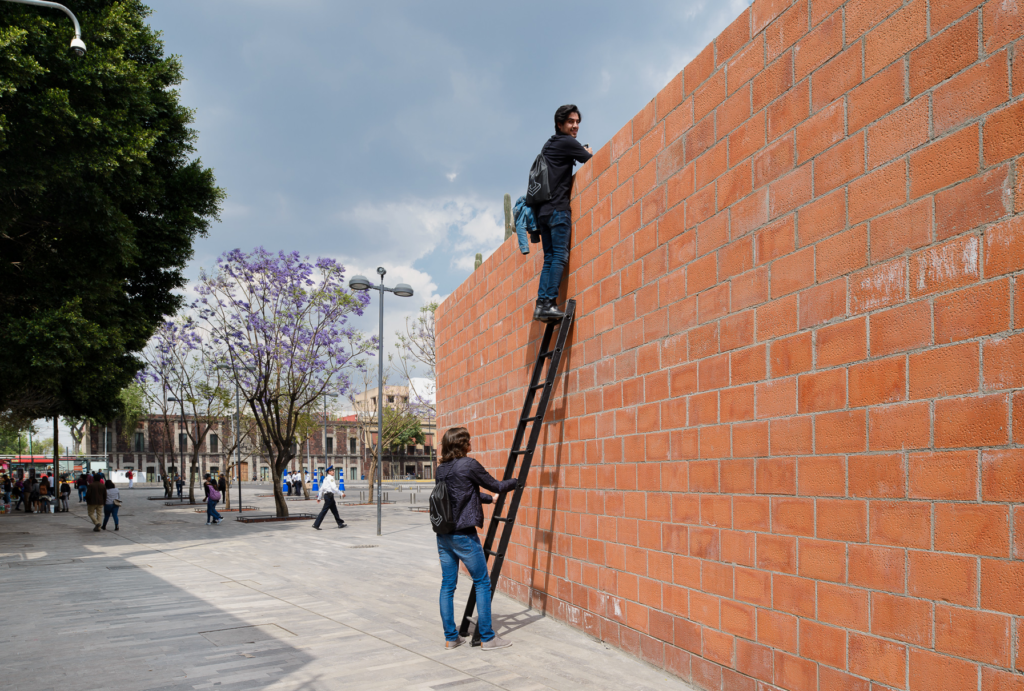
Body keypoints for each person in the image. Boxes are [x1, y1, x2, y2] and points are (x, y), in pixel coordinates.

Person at [434, 427, 516, 650]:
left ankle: (451, 638)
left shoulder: (441, 470)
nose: (471, 443)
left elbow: (461, 493)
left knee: (447, 585)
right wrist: (516, 482)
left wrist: (489, 499)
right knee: (482, 581)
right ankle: (488, 638)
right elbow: (498, 484)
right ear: (463, 444)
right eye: (468, 440)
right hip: (464, 536)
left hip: (443, 536)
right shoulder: (469, 464)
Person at [532, 105, 593, 323]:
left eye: (577, 122)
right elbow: (589, 160)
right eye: (570, 122)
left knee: (549, 258)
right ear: (560, 124)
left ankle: (541, 305)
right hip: (558, 210)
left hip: (543, 213)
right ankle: (549, 302)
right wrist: (588, 152)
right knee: (559, 256)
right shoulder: (567, 142)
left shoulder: (550, 144)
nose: (575, 126)